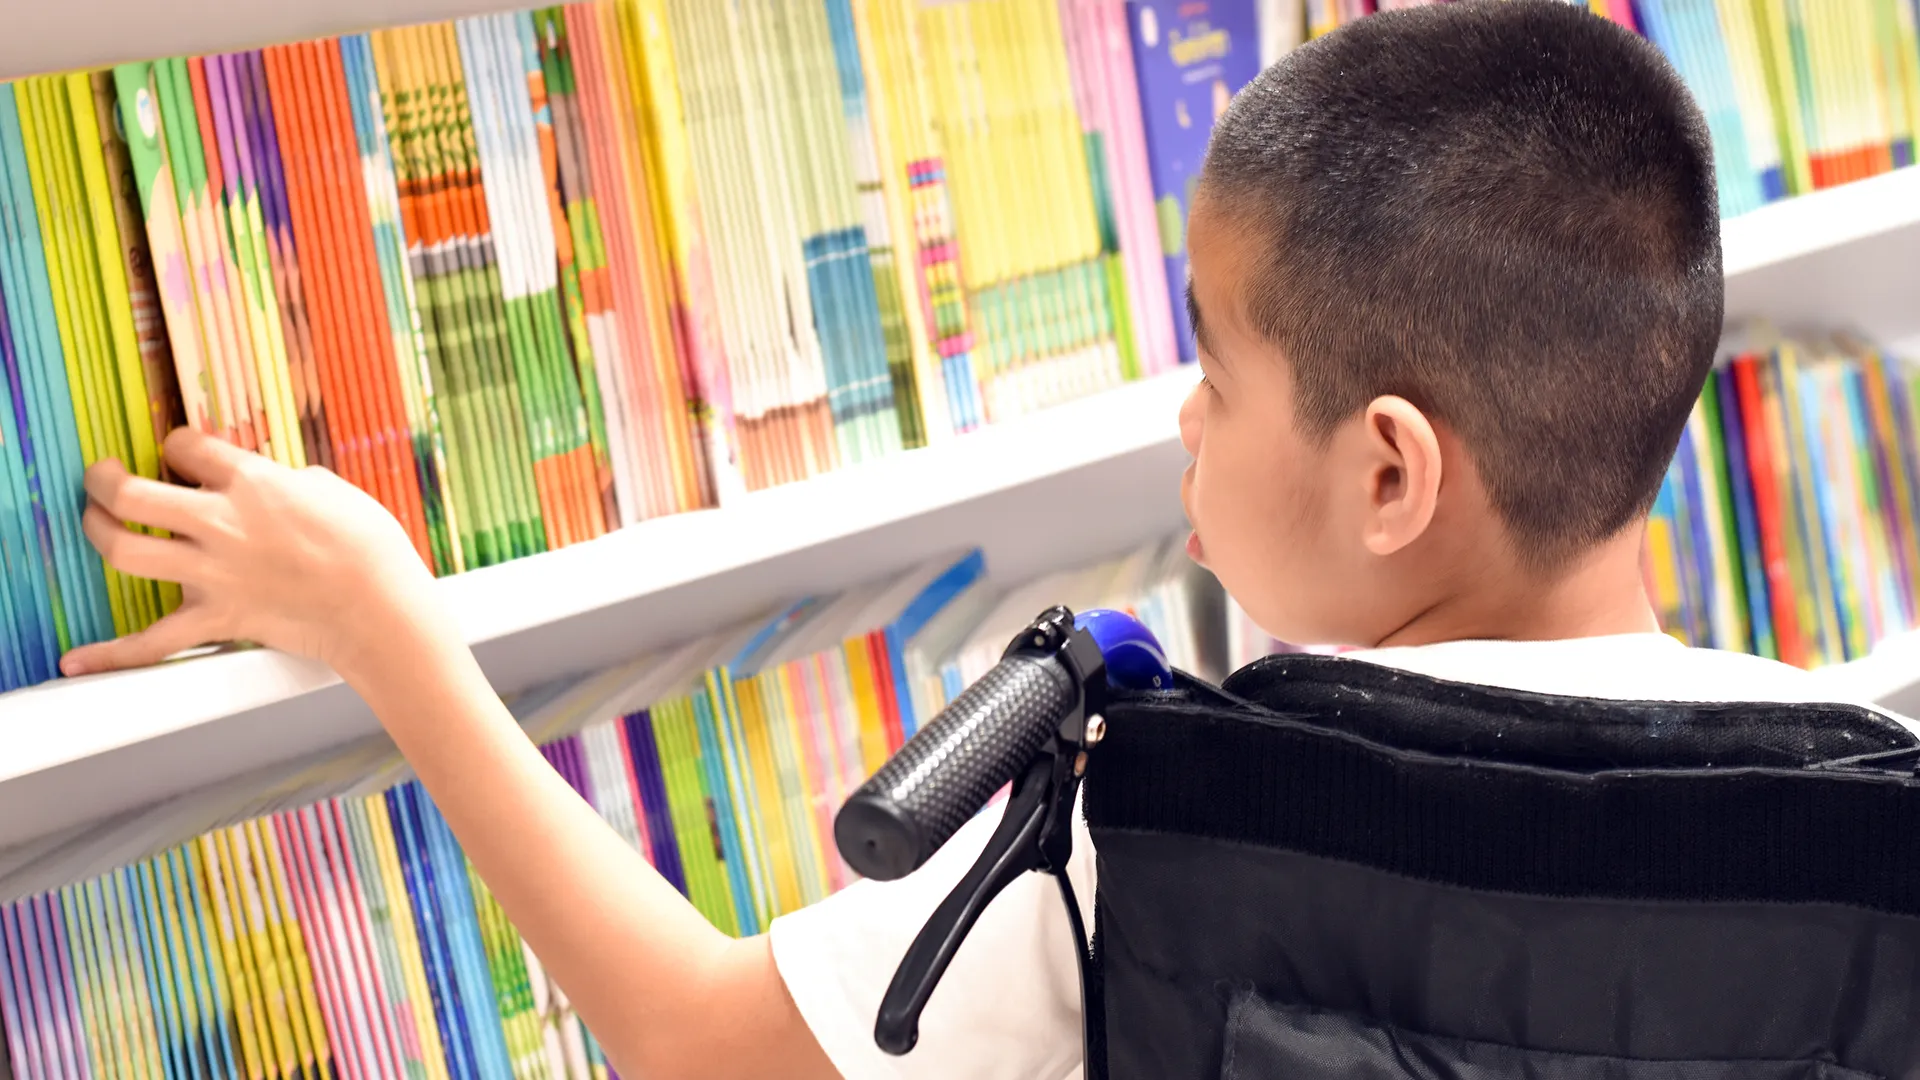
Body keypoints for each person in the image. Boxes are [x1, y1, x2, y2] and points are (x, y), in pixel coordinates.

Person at [56, 2, 1909, 1078]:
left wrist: (387, 625)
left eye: (1217, 365)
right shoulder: (1873, 812)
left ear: (1390, 474)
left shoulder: (1163, 854)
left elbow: (702, 1045)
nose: (1187, 417)